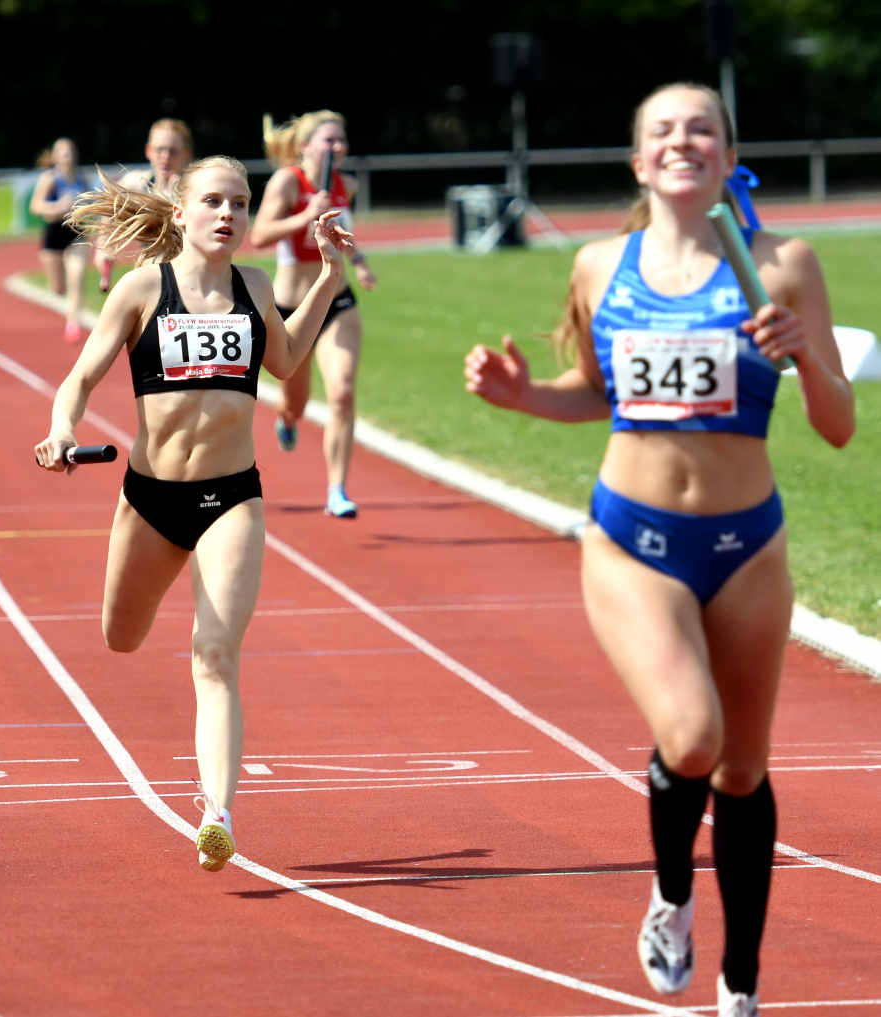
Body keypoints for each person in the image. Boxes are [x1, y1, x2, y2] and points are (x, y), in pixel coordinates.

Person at [464, 82, 854, 1016]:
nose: (684, 141)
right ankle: (674, 892)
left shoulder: (783, 264)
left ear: (726, 155)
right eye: (664, 131)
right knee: (692, 736)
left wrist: (804, 353)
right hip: (635, 542)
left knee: (745, 770)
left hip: (749, 546)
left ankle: (741, 985)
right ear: (641, 162)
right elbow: (595, 392)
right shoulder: (603, 264)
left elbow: (838, 424)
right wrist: (522, 397)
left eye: (702, 129)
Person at [34, 156, 351, 871]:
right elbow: (80, 378)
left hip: (231, 496)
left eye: (239, 202)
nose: (229, 214)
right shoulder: (146, 289)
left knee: (215, 655)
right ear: (180, 213)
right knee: (120, 637)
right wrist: (60, 429)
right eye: (213, 201)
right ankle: (215, 801)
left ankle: (217, 812)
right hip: (151, 500)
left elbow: (289, 358)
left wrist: (330, 275)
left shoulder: (256, 285)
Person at [250, 110, 376, 519]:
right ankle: (288, 418)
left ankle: (337, 490)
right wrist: (306, 214)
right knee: (297, 401)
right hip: (293, 309)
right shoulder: (289, 181)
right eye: (328, 140)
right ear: (306, 146)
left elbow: (344, 234)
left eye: (341, 140)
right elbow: (259, 235)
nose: (337, 147)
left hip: (337, 303)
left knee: (341, 392)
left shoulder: (347, 185)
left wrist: (359, 262)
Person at [95, 119, 194, 291]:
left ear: (186, 153)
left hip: (188, 277)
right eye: (160, 149)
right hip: (150, 273)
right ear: (148, 150)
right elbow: (109, 202)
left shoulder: (195, 188)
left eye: (173, 151)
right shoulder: (140, 183)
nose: (165, 157)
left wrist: (179, 197)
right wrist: (104, 245)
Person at [30, 138, 89, 343]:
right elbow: (36, 206)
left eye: (70, 151)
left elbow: (90, 202)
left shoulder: (82, 178)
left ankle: (73, 323)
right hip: (54, 232)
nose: (67, 155)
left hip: (76, 231)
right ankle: (66, 304)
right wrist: (59, 206)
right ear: (55, 157)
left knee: (76, 278)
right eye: (62, 152)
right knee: (58, 288)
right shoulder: (50, 179)